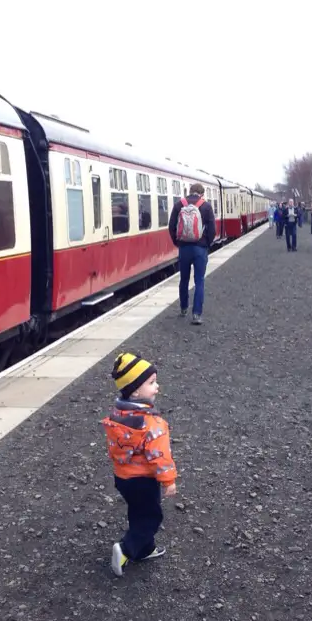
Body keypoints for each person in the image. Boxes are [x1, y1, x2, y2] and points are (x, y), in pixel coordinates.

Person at [102, 352, 177, 577]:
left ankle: (145, 549)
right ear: (135, 390)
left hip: (123, 477)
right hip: (144, 479)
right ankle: (126, 549)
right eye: (151, 383)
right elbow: (159, 455)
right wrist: (168, 481)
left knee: (138, 511)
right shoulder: (152, 423)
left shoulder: (118, 415)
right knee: (152, 516)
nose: (157, 387)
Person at [168, 183, 216, 325]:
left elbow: (171, 227)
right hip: (200, 248)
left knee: (184, 279)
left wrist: (178, 243)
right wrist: (206, 243)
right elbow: (212, 230)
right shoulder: (206, 206)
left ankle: (183, 308)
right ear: (201, 194)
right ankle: (196, 314)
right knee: (199, 280)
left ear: (190, 192)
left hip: (184, 248)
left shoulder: (179, 205)